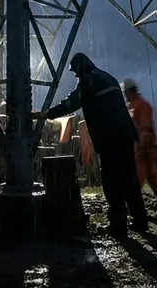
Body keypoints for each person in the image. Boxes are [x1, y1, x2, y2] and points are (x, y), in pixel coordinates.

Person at [33, 53, 149, 236]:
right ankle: (140, 220)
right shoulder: (107, 77)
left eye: (76, 73)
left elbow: (71, 102)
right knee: (129, 178)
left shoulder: (89, 80)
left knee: (112, 181)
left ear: (80, 68)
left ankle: (118, 225)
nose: (76, 76)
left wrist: (46, 114)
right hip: (125, 134)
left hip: (109, 137)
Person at [121, 78, 157, 217]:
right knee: (153, 179)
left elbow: (145, 128)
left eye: (125, 92)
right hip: (142, 150)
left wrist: (143, 148)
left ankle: (136, 213)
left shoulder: (141, 106)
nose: (125, 95)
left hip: (143, 151)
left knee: (136, 181)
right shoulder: (133, 106)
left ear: (129, 91)